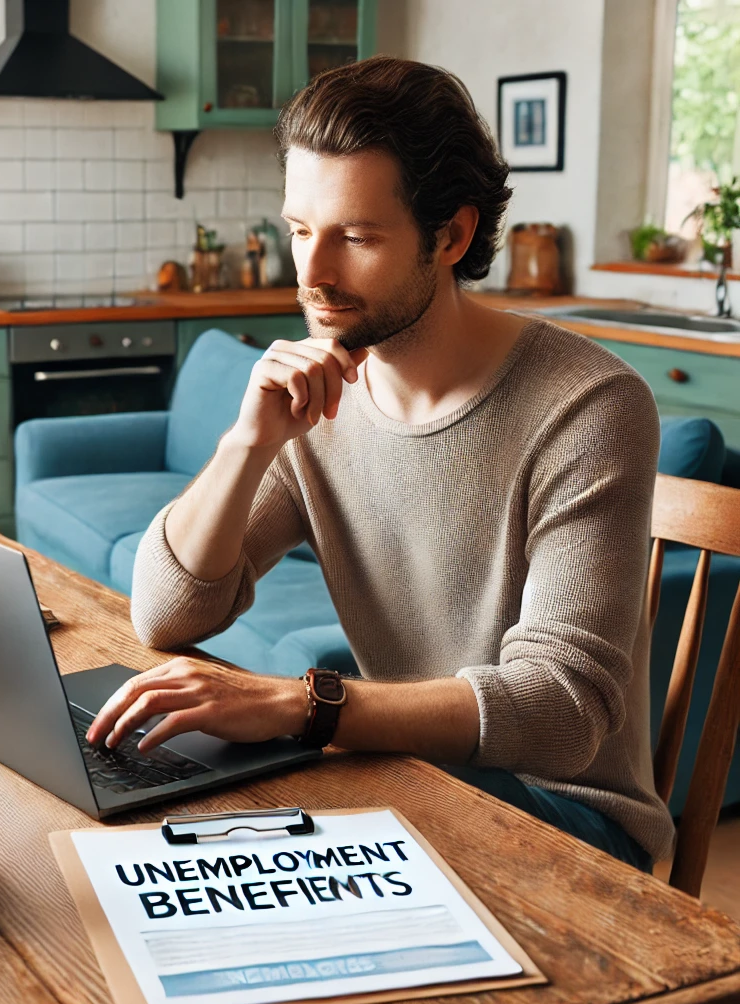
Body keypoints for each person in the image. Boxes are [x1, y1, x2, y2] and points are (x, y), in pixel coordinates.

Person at [86, 56, 674, 870]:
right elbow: (166, 613)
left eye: (356, 238)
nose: (314, 274)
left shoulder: (589, 405)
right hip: (414, 779)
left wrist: (304, 707)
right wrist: (247, 445)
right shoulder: (320, 393)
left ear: (453, 235)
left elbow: (562, 712)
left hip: (569, 824)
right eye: (299, 231)